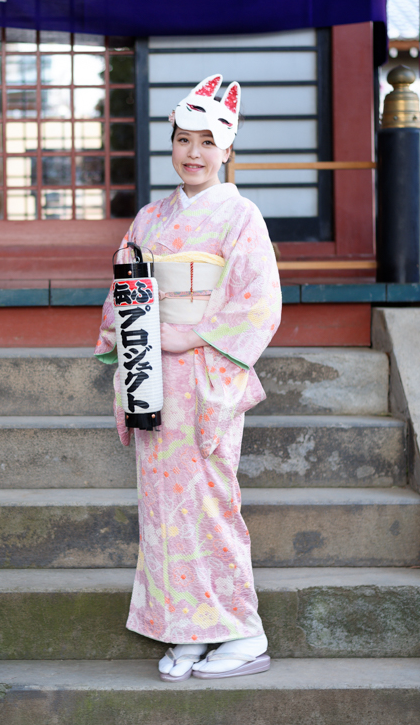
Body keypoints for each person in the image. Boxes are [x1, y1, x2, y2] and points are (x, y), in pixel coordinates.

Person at [93, 74, 282, 682]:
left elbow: (259, 303)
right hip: (153, 376)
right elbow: (124, 292)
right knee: (161, 509)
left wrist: (192, 334)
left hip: (206, 376)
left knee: (211, 501)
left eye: (207, 141)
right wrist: (133, 339)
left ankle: (243, 632)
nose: (193, 153)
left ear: (228, 148)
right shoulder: (150, 218)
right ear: (170, 144)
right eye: (183, 140)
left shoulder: (240, 216)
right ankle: (187, 631)